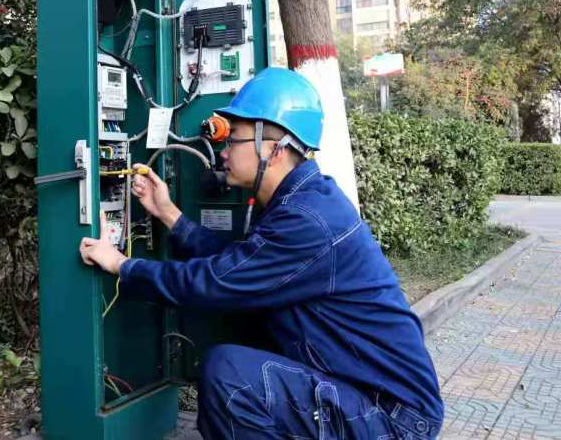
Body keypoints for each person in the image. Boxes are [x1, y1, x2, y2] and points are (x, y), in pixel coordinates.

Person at [79, 67, 444, 439]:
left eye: (233, 138)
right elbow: (242, 263)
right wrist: (169, 214)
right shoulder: (302, 201)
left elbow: (215, 281)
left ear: (274, 147)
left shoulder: (308, 219)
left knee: (229, 374)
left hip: (391, 416)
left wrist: (123, 265)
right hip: (368, 395)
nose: (222, 151)